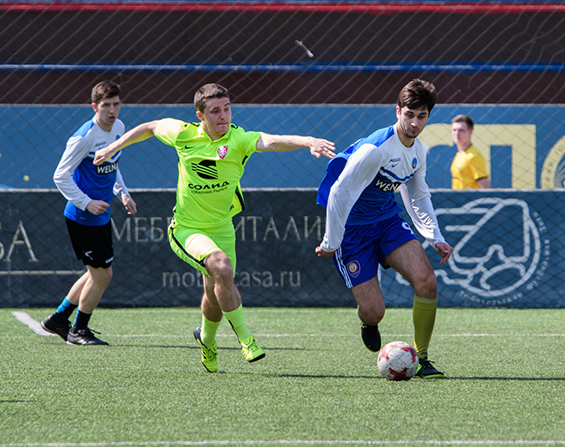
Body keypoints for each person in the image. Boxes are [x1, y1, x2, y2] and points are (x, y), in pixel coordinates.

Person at [93, 83, 335, 373]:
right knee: (221, 266)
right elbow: (150, 127)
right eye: (215, 111)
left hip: (222, 228)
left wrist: (308, 141)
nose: (223, 116)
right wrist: (113, 147)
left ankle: (206, 339)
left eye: (227, 109)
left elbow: (273, 141)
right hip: (186, 229)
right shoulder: (184, 134)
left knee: (215, 290)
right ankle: (246, 339)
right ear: (201, 116)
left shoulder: (238, 139)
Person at [315, 79, 453, 379]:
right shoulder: (375, 149)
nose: (415, 123)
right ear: (397, 111)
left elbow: (418, 195)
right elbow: (339, 192)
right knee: (375, 311)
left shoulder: (418, 152)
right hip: (353, 232)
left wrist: (435, 236)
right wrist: (331, 241)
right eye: (409, 115)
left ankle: (423, 359)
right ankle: (369, 322)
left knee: (427, 281)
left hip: (387, 222)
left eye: (422, 116)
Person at [42, 80, 138, 346]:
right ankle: (79, 330)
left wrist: (123, 193)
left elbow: (112, 164)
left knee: (95, 272)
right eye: (106, 105)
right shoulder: (84, 137)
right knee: (103, 275)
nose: (112, 110)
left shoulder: (119, 128)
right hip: (83, 217)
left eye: (116, 104)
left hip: (100, 216)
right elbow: (60, 176)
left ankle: (59, 319)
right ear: (94, 107)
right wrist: (86, 203)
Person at [451, 114, 491, 189]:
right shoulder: (459, 154)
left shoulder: (474, 156)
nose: (457, 133)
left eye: (461, 130)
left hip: (470, 197)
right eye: (454, 130)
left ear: (470, 132)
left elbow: (486, 187)